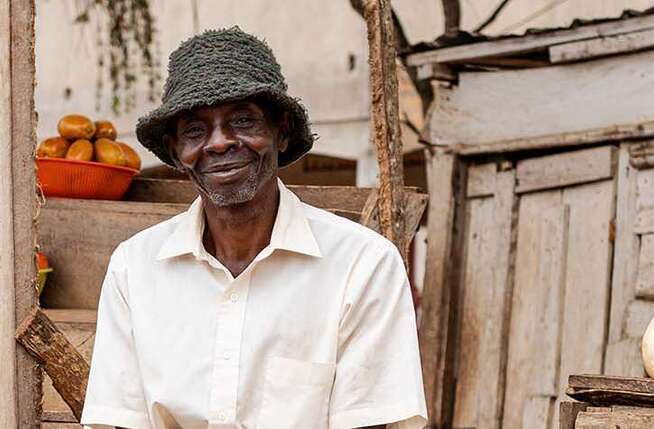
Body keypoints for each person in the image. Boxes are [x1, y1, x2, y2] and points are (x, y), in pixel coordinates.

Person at [82, 27, 427, 429]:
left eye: (242, 121)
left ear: (280, 132)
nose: (220, 143)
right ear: (177, 153)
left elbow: (371, 421)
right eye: (195, 130)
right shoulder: (134, 267)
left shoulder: (362, 264)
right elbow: (118, 421)